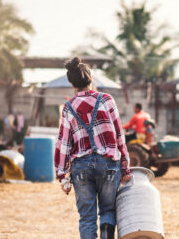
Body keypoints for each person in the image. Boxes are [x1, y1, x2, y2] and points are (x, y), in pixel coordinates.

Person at [54, 57, 131, 239]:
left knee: (87, 218)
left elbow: (63, 142)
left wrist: (62, 175)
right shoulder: (106, 100)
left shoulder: (68, 107)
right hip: (108, 164)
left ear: (71, 82)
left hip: (81, 166)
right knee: (108, 211)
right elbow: (119, 135)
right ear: (91, 79)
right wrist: (125, 166)